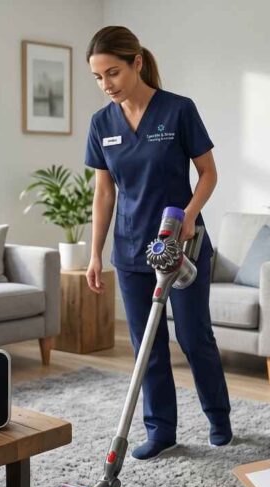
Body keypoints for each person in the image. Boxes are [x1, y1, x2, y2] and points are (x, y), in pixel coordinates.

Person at [84, 25, 232, 460]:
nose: (106, 85)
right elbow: (104, 192)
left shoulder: (178, 110)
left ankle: (218, 418)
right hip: (130, 249)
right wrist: (95, 252)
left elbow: (208, 173)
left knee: (193, 336)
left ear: (137, 63)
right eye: (98, 77)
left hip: (181, 245)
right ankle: (161, 429)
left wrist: (187, 216)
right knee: (145, 344)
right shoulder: (101, 124)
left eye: (113, 73)